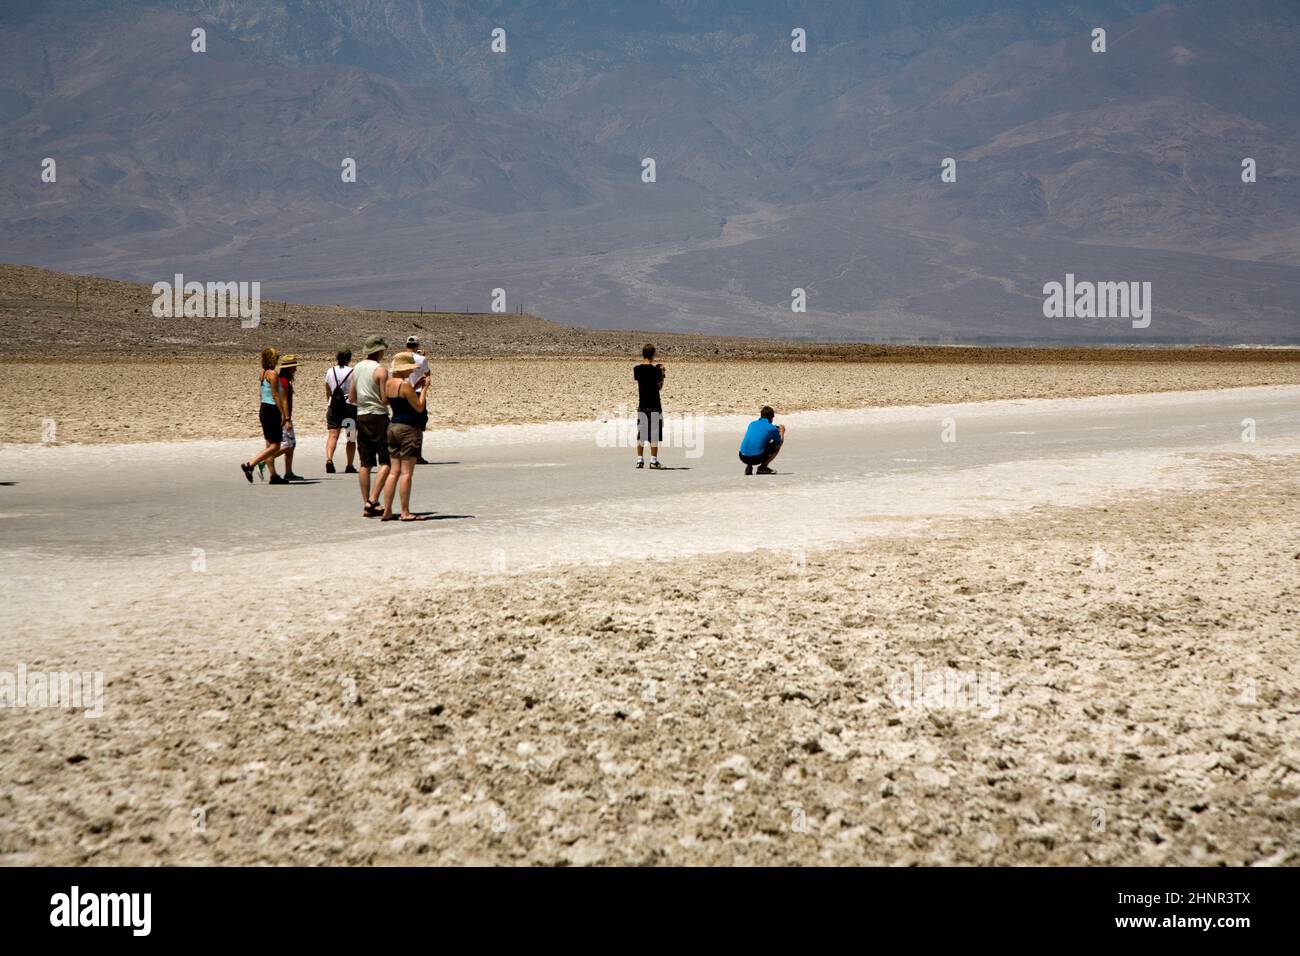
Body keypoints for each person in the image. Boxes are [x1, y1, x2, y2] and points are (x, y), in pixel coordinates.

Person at [379, 351, 432, 521]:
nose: (411, 371)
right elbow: (419, 407)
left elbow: (389, 401)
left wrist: (416, 384)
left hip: (393, 426)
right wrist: (424, 389)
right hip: (408, 428)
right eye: (409, 368)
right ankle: (405, 511)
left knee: (394, 472)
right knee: (406, 473)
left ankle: (387, 510)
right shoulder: (405, 385)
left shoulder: (389, 383)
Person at [349, 335, 391, 516]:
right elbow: (384, 399)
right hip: (378, 417)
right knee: (386, 461)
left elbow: (351, 397)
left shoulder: (357, 368)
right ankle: (373, 499)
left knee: (365, 463)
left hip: (361, 416)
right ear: (379, 351)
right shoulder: (381, 370)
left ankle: (366, 502)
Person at [240, 346, 291, 485]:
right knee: (275, 446)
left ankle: (273, 475)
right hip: (271, 409)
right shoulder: (273, 374)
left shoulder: (263, 373)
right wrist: (282, 413)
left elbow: (263, 393)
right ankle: (250, 465)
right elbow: (275, 395)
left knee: (269, 445)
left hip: (264, 408)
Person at [324, 349, 358, 474]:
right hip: (348, 406)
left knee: (333, 435)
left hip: (334, 406)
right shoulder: (353, 372)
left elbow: (327, 390)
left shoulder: (330, 371)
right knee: (351, 437)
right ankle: (349, 464)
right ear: (349, 359)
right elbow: (355, 390)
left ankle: (329, 459)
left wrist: (330, 402)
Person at [633, 343, 665, 469]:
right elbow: (659, 387)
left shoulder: (637, 369)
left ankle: (640, 460)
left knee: (641, 433)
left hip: (642, 405)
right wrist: (662, 373)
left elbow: (639, 378)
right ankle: (653, 460)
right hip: (654, 405)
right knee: (654, 434)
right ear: (653, 354)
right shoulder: (656, 371)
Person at [405, 335, 431, 465]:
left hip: (402, 392)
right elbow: (428, 376)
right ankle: (417, 455)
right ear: (417, 346)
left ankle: (405, 453)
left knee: (404, 423)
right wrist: (424, 358)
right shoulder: (421, 359)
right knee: (418, 425)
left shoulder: (398, 359)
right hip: (417, 392)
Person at [277, 355, 303, 481]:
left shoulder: (281, 380)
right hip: (284, 417)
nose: (295, 370)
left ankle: (289, 472)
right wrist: (287, 419)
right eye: (294, 367)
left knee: (291, 445)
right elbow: (284, 401)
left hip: (283, 416)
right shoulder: (284, 382)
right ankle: (266, 460)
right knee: (288, 445)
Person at [738, 406, 785, 475]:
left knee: (755, 441)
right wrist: (782, 432)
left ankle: (749, 467)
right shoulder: (772, 428)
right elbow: (779, 442)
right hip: (756, 458)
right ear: (772, 417)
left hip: (742, 456)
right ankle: (763, 467)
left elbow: (758, 435)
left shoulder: (752, 424)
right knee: (776, 446)